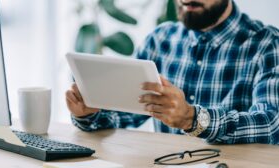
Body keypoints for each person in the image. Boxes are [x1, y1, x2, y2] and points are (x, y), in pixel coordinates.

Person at [66, 0, 279, 144]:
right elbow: (128, 113)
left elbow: (271, 125)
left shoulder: (268, 44)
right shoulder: (160, 39)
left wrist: (192, 119)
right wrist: (90, 113)